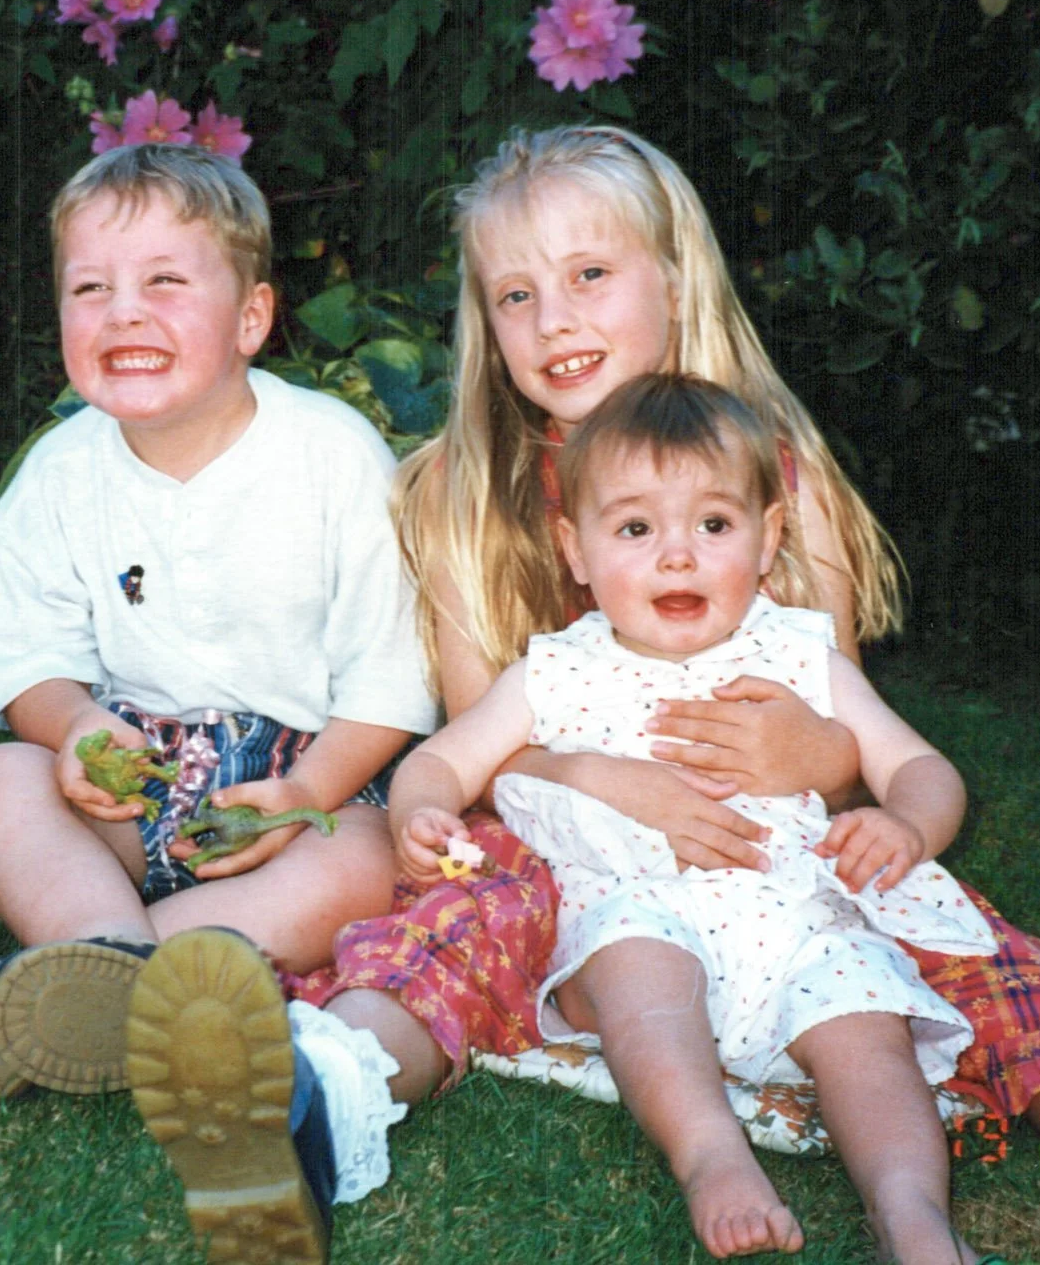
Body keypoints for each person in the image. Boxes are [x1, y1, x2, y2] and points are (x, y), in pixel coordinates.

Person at [127, 124, 1040, 1265]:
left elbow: (832, 724)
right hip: (578, 864)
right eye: (514, 293)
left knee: (1001, 983)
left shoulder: (774, 466)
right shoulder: (465, 487)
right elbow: (477, 763)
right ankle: (311, 1105)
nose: (551, 316)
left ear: (675, 279)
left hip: (787, 865)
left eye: (587, 275)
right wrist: (585, 776)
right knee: (463, 915)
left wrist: (831, 760)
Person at [0, 143, 436, 1107]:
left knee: (366, 863)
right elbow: (25, 659)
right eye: (90, 288)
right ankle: (121, 963)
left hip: (303, 785)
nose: (123, 310)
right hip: (135, 774)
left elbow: (394, 676)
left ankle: (71, 986)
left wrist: (306, 787)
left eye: (166, 282)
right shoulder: (61, 469)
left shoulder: (334, 457)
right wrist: (75, 727)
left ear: (251, 317)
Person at [395, 372, 1003, 1261]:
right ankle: (712, 1155)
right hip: (635, 909)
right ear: (575, 549)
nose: (677, 556)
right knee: (641, 975)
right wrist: (421, 810)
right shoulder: (554, 671)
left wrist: (908, 822)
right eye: (636, 529)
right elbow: (445, 758)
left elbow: (919, 766)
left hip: (793, 912)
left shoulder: (801, 657)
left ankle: (913, 1214)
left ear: (769, 539)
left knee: (867, 1030)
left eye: (713, 525)